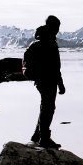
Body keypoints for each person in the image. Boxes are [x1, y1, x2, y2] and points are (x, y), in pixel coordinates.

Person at [30, 14, 66, 148]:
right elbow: (55, 66)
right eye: (57, 26)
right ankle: (44, 138)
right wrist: (60, 84)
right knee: (48, 109)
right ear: (53, 26)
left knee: (45, 107)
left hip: (40, 80)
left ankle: (37, 135)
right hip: (48, 80)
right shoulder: (49, 42)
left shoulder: (40, 39)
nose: (58, 29)